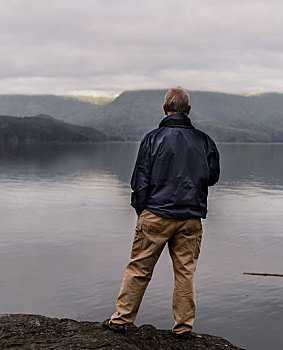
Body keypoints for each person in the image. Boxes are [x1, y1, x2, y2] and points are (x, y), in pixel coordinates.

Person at [103, 86, 220, 338]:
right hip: (190, 217)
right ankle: (183, 327)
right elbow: (212, 177)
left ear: (165, 109)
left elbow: (140, 180)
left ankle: (121, 319)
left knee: (139, 269)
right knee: (185, 273)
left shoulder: (152, 139)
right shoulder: (204, 141)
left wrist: (141, 211)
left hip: (155, 214)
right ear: (188, 110)